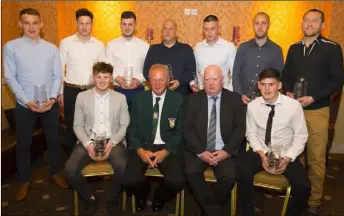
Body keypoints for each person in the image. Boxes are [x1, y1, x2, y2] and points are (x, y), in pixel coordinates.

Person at [282, 9, 344, 216]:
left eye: (314, 21)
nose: (309, 24)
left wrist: (314, 97)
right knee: (295, 156)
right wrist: (288, 91)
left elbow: (337, 81)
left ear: (322, 25)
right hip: (294, 111)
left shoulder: (332, 48)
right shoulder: (293, 48)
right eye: (306, 20)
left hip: (317, 110)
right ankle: (298, 192)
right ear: (302, 23)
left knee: (316, 158)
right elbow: (286, 74)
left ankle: (314, 201)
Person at [3, 8, 67, 201]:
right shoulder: (11, 47)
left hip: (50, 104)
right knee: (24, 143)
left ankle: (55, 172)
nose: (31, 27)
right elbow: (9, 77)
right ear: (20, 25)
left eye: (35, 23)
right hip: (25, 105)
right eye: (27, 23)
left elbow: (58, 76)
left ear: (41, 25)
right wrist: (26, 101)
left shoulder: (51, 49)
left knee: (54, 140)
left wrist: (53, 99)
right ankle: (25, 180)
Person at [238, 68, 311, 216]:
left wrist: (287, 158)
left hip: (285, 152)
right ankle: (247, 212)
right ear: (258, 85)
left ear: (279, 85)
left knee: (304, 187)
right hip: (261, 150)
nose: (266, 88)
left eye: (271, 84)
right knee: (241, 172)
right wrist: (262, 155)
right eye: (263, 84)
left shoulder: (293, 106)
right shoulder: (253, 106)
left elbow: (301, 136)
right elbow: (250, 134)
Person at [65, 62, 129, 216]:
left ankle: (113, 197)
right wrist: (87, 144)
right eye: (98, 77)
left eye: (106, 77)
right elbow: (77, 125)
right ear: (93, 78)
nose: (102, 80)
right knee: (70, 169)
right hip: (88, 139)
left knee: (123, 166)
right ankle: (90, 199)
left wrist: (112, 143)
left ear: (111, 79)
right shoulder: (82, 96)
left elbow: (124, 125)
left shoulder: (120, 98)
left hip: (113, 140)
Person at [184, 65, 245, 216]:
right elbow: (187, 129)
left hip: (224, 150)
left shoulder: (235, 99)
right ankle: (213, 212)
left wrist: (226, 151)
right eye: (207, 79)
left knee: (229, 176)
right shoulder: (192, 100)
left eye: (215, 79)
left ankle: (208, 209)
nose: (211, 83)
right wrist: (200, 151)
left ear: (222, 80)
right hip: (200, 149)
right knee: (190, 171)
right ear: (203, 81)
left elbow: (240, 129)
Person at [123, 64, 185, 212]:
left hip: (167, 146)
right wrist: (140, 151)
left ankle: (159, 196)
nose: (157, 84)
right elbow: (132, 130)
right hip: (143, 145)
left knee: (177, 181)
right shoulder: (139, 100)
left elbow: (181, 132)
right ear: (148, 81)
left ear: (168, 80)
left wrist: (165, 152)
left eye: (161, 80)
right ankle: (143, 193)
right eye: (154, 80)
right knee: (129, 181)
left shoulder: (179, 100)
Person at [58, 8, 105, 156]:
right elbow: (60, 68)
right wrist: (60, 93)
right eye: (81, 23)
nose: (85, 27)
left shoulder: (99, 45)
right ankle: (72, 163)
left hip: (92, 91)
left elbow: (102, 70)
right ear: (76, 23)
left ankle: (94, 158)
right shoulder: (66, 43)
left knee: (93, 126)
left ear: (92, 24)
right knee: (72, 127)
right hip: (71, 90)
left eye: (88, 23)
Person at [232, 12, 284, 105]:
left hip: (266, 102)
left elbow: (278, 77)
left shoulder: (276, 50)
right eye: (257, 23)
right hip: (244, 101)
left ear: (269, 25)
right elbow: (236, 74)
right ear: (253, 25)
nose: (260, 27)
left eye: (263, 23)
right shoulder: (243, 48)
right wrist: (240, 94)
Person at [106, 11, 149, 110]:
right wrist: (116, 78)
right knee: (118, 123)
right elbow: (108, 66)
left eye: (130, 24)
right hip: (118, 90)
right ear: (120, 25)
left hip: (138, 91)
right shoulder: (111, 45)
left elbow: (148, 68)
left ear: (135, 25)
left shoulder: (145, 46)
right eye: (124, 24)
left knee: (138, 123)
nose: (127, 27)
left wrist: (139, 80)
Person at [143, 19, 196, 97]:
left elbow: (192, 72)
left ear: (176, 32)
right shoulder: (153, 49)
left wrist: (179, 82)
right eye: (165, 28)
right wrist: (159, 83)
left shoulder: (186, 49)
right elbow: (146, 71)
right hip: (158, 95)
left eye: (171, 29)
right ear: (161, 32)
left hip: (181, 94)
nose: (167, 31)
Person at [192, 15, 236, 92]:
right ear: (203, 30)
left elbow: (234, 73)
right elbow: (196, 71)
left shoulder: (229, 47)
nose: (209, 32)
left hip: (223, 92)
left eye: (212, 29)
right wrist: (197, 87)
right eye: (206, 29)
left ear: (218, 29)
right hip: (203, 93)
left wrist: (229, 91)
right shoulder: (197, 48)